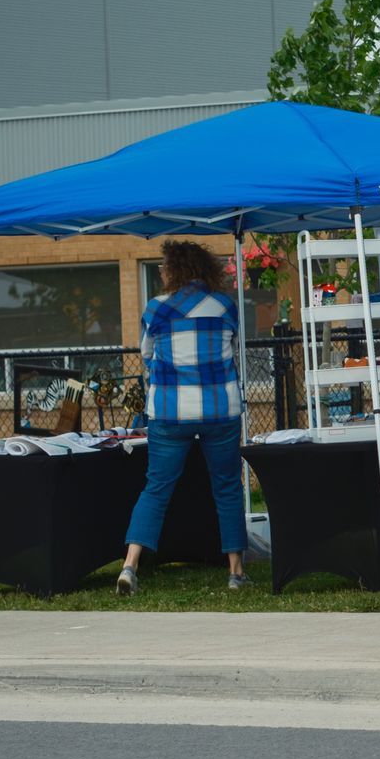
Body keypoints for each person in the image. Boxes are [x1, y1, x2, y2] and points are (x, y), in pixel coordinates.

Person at [116, 241, 249, 595]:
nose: (161, 271)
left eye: (164, 266)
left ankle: (130, 565)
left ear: (175, 270)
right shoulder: (225, 306)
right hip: (220, 410)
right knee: (227, 488)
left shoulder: (156, 309)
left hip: (170, 412)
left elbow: (147, 356)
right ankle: (235, 571)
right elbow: (234, 348)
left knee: (156, 488)